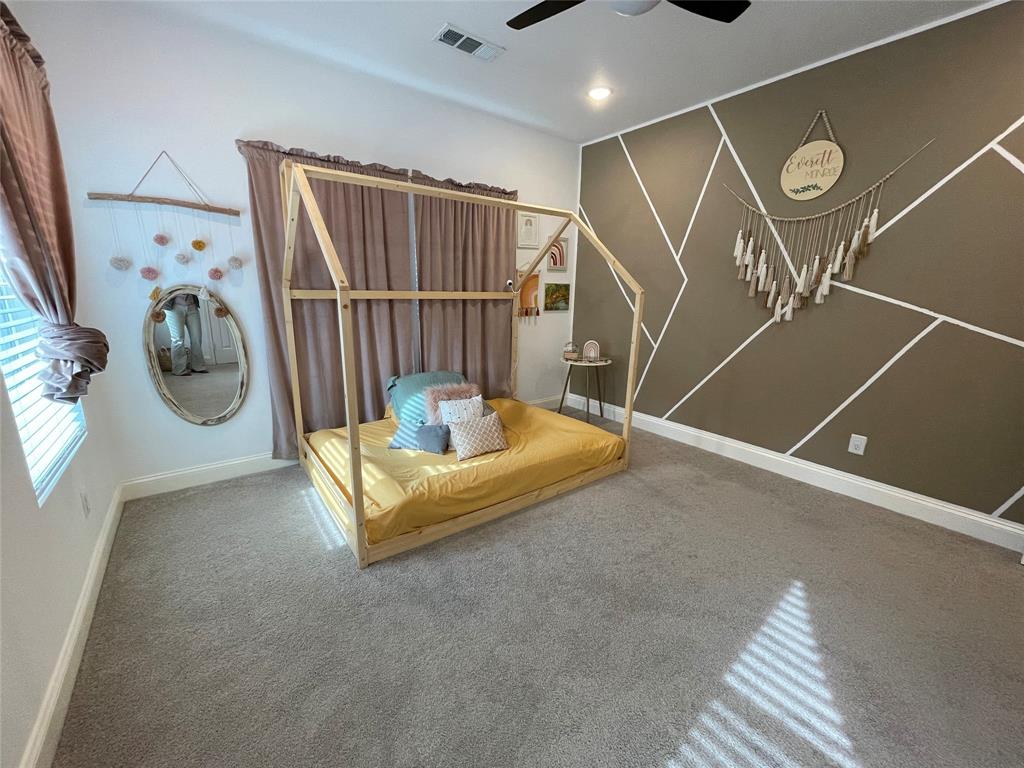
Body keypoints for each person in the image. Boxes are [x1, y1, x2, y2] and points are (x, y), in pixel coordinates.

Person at [162, 293, 208, 376]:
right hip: (173, 307)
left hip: (192, 305)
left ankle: (198, 366)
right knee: (178, 339)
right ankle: (179, 369)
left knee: (196, 338)